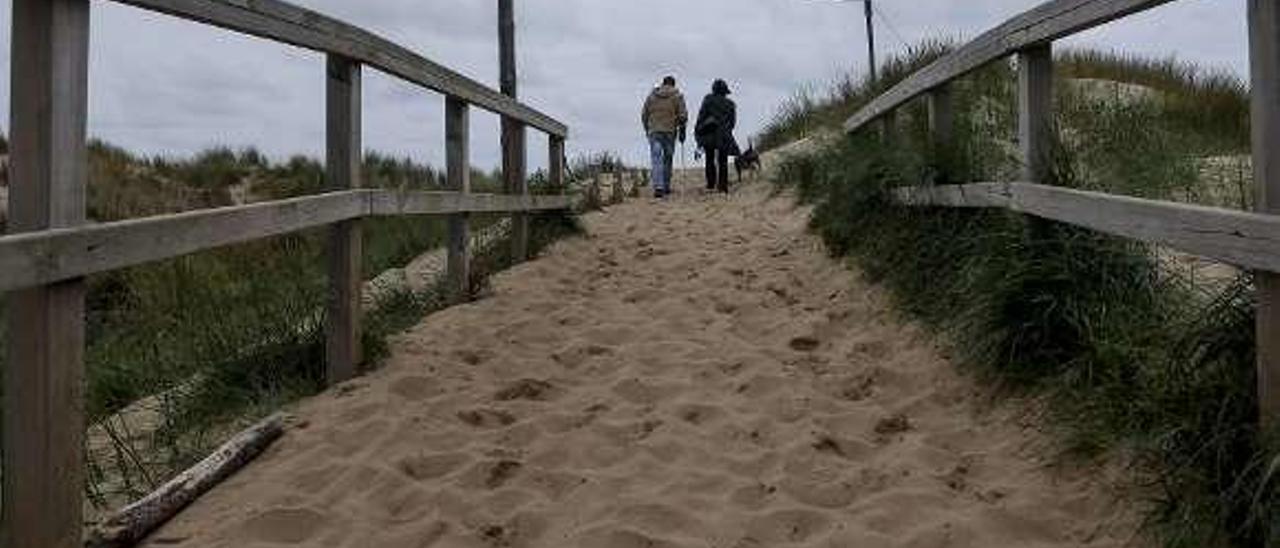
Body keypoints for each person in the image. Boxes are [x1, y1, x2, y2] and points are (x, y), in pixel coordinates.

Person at [641, 76, 688, 198]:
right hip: (670, 131)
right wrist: (682, 129)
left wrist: (647, 129)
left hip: (654, 131)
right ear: (673, 85)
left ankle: (658, 186)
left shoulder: (651, 96)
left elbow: (644, 114)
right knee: (668, 158)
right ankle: (666, 186)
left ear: (663, 84)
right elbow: (683, 115)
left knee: (656, 158)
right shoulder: (677, 96)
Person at [695, 79, 738, 193]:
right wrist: (727, 130)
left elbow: (701, 116)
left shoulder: (708, 99)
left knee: (709, 159)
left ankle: (710, 184)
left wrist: (698, 131)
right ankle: (723, 186)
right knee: (722, 160)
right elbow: (732, 122)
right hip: (724, 134)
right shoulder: (730, 104)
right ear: (725, 91)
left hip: (709, 133)